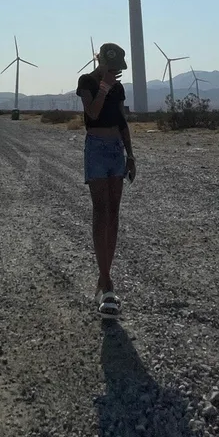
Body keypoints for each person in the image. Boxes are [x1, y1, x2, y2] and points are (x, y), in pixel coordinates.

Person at [76, 42, 136, 317]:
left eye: (118, 68)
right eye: (111, 67)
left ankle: (105, 277)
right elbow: (92, 113)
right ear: (100, 61)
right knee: (100, 210)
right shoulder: (87, 81)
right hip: (97, 148)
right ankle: (106, 279)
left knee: (114, 212)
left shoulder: (120, 88)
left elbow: (121, 120)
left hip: (116, 150)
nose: (115, 72)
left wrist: (131, 155)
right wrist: (103, 87)